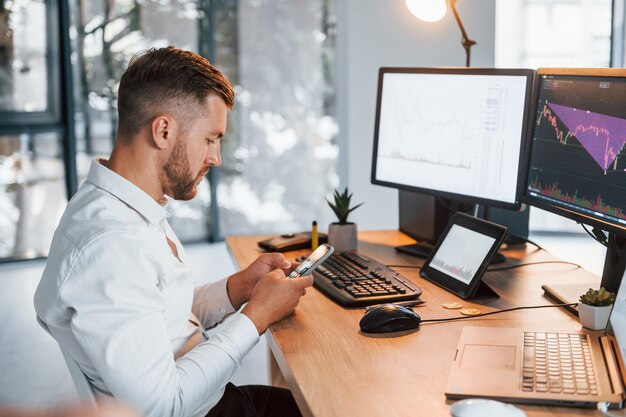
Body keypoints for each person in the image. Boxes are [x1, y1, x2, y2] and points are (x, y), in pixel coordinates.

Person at [34, 46, 313, 417]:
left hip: (213, 397)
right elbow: (164, 405)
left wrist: (237, 289)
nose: (216, 158)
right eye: (211, 139)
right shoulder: (111, 245)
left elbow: (157, 316)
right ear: (163, 130)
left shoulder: (123, 205)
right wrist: (255, 316)